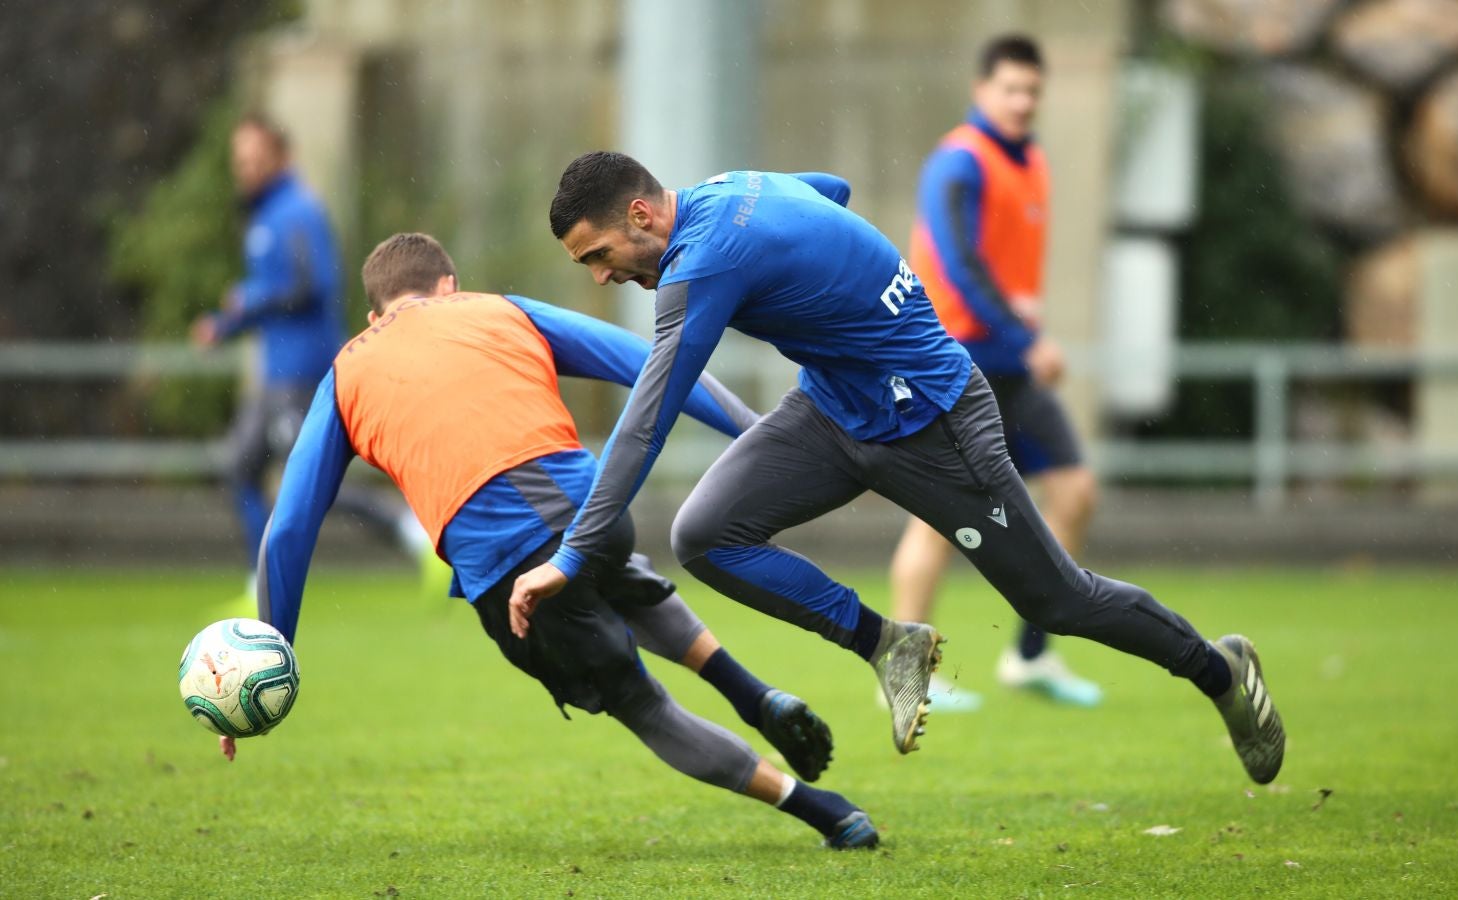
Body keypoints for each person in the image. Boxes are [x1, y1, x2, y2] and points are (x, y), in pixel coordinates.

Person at [516, 152, 1285, 785]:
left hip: (934, 423)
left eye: (599, 255)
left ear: (642, 216)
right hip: (833, 410)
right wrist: (844, 297)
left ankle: (1219, 671)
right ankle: (889, 644)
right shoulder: (732, 190)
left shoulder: (706, 258)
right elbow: (829, 194)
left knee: (1059, 601)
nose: (601, 276)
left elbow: (646, 417)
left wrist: (574, 554)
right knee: (708, 533)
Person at [229, 232, 879, 849]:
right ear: (448, 286)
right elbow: (650, 362)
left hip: (509, 567)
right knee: (620, 578)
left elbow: (288, 527)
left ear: (373, 316)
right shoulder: (498, 309)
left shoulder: (347, 373)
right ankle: (752, 694)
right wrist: (757, 432)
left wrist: (272, 655)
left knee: (643, 705)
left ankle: (826, 812)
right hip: (596, 508)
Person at [894, 35, 1100, 712]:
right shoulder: (958, 163)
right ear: (981, 91)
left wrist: (1021, 334)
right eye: (1010, 89)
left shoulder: (1032, 160)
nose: (1022, 102)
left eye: (1032, 92)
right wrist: (1024, 332)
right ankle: (908, 672)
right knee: (939, 521)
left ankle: (1031, 656)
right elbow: (959, 265)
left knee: (1074, 493)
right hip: (957, 362)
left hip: (1011, 366)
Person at [190, 116, 439, 599]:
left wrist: (250, 301)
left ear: (281, 157)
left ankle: (413, 533)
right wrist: (227, 326)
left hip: (303, 373)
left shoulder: (299, 212)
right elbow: (271, 299)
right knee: (241, 466)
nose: (246, 168)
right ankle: (258, 580)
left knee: (310, 480)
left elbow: (314, 286)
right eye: (240, 160)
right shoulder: (263, 217)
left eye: (255, 158)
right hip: (273, 376)